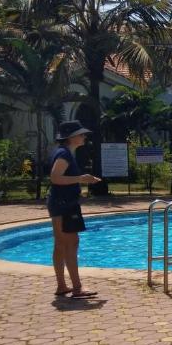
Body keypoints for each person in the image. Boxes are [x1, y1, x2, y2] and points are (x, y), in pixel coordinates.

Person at [47, 121, 102, 298]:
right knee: (71, 243)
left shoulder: (63, 152)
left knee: (61, 245)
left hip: (60, 203)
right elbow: (55, 177)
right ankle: (77, 288)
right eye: (81, 134)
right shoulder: (64, 154)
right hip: (64, 204)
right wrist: (81, 178)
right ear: (71, 137)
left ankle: (62, 286)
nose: (84, 136)